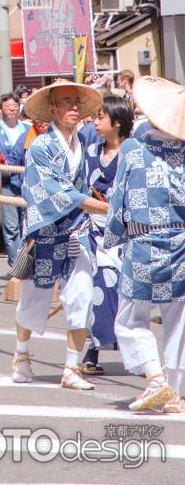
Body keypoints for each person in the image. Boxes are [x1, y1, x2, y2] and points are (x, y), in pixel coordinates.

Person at [12, 81, 108, 391]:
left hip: (76, 230)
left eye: (76, 102)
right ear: (53, 109)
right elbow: (55, 192)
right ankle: (21, 355)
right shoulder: (41, 147)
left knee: (81, 295)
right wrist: (104, 208)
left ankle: (71, 368)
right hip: (45, 232)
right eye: (66, 102)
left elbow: (80, 190)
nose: (74, 108)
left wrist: (97, 207)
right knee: (33, 300)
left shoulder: (82, 142)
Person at [105, 76, 185, 414]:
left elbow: (118, 198)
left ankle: (155, 379)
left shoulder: (133, 148)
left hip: (144, 240)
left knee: (129, 317)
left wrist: (113, 236)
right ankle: (176, 392)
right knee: (178, 320)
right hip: (181, 239)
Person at [80, 95, 135, 376]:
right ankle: (93, 348)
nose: (96, 122)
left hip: (128, 233)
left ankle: (134, 350)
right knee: (95, 289)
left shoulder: (135, 153)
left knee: (126, 294)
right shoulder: (90, 152)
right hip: (92, 229)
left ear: (118, 121)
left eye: (102, 117)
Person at [0, 93, 29, 269]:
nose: (12, 109)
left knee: (28, 225)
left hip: (26, 182)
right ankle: (15, 265)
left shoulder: (28, 129)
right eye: (7, 106)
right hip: (7, 183)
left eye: (15, 106)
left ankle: (27, 263)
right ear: (0, 109)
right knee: (11, 227)